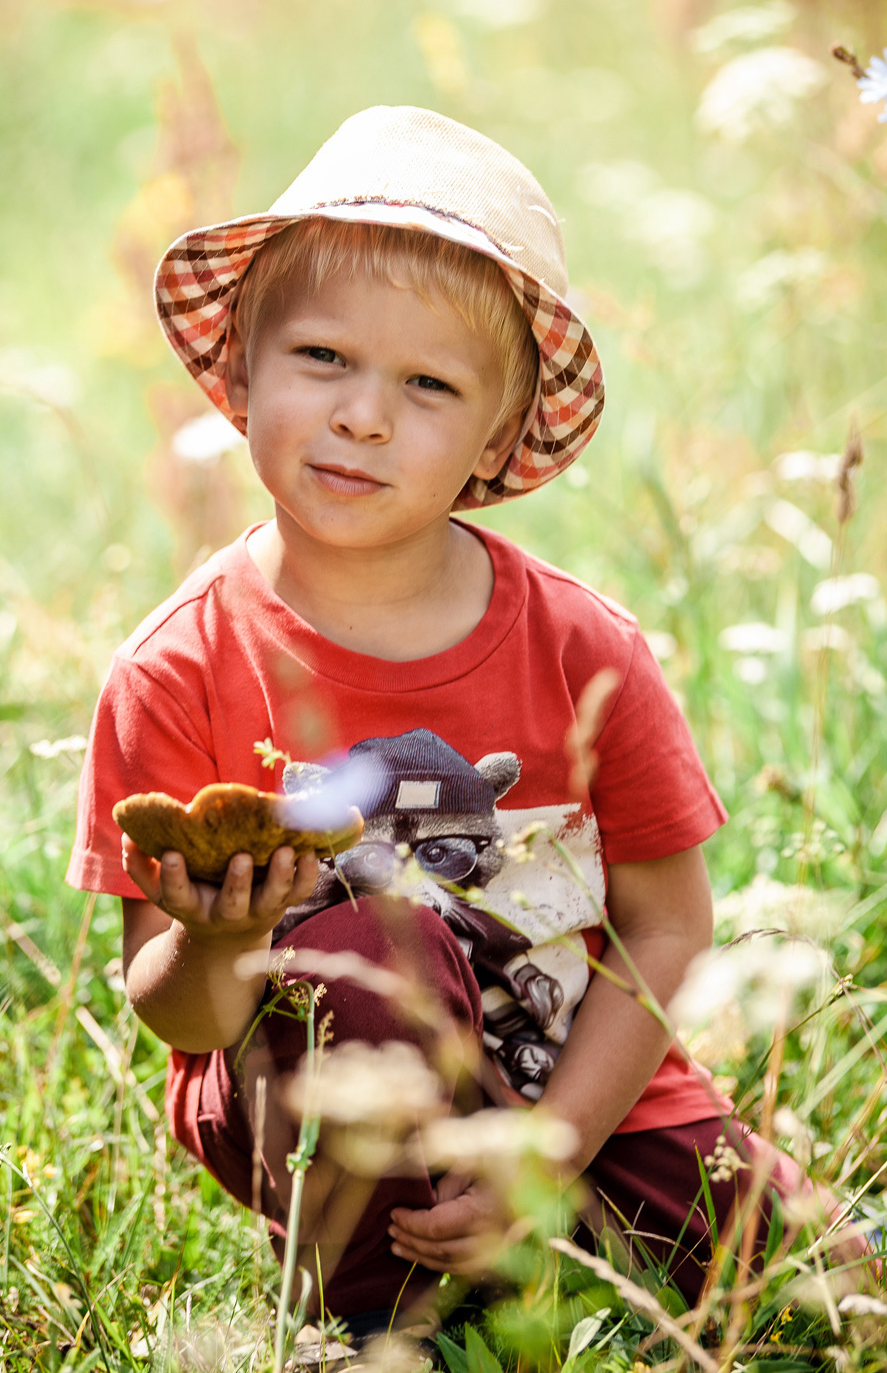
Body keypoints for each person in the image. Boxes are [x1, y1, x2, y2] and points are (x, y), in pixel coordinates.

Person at [66, 106, 842, 1331]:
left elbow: (665, 923)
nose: (363, 415)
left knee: (825, 1278)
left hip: (577, 1079)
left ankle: (551, 1232)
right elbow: (169, 1010)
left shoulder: (582, 648)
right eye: (321, 357)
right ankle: (392, 1319)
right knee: (372, 937)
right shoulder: (179, 667)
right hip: (320, 1082)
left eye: (427, 384)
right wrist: (218, 940)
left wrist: (551, 1140)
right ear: (243, 369)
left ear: (495, 434)